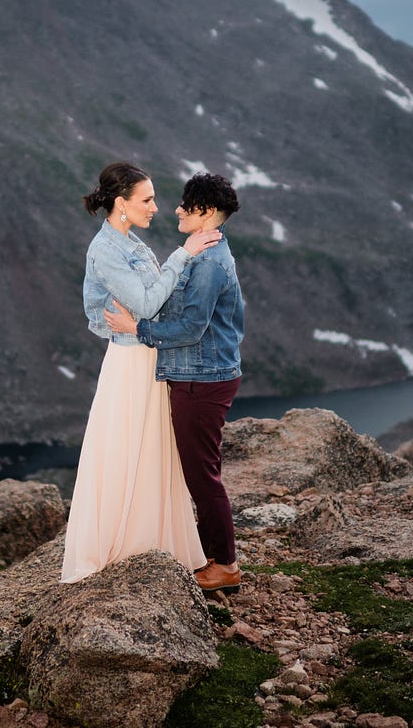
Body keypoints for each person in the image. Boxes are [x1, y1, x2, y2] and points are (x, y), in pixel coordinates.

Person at [60, 162, 224, 583]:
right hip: (131, 363)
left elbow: (155, 302)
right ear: (121, 204)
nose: (156, 207)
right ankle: (121, 544)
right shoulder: (106, 251)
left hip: (150, 357)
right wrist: (184, 254)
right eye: (147, 199)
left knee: (152, 453)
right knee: (125, 451)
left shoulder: (128, 242)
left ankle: (154, 542)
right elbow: (147, 303)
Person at [105, 172, 245, 594]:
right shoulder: (205, 253)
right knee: (200, 469)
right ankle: (210, 553)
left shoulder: (208, 264)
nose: (178, 209)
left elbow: (190, 328)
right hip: (200, 375)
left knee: (202, 474)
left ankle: (225, 566)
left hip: (202, 379)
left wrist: (138, 327)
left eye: (186, 204)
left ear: (203, 212)